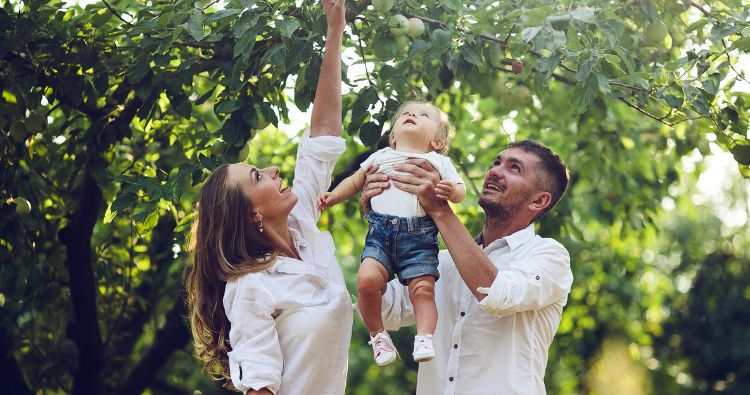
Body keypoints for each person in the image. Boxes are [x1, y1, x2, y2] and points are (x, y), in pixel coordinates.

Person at [184, 1, 351, 394]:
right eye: (257, 175)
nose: (274, 171)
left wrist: (335, 31)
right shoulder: (250, 288)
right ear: (252, 215)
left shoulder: (304, 228)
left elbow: (323, 132)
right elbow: (260, 386)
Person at [361, 139, 572, 394]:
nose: (494, 171)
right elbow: (385, 310)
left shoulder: (550, 256)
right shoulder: (440, 261)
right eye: (497, 162)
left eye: (514, 168)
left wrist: (440, 210)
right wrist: (381, 221)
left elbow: (497, 296)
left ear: (539, 201)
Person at [317, 101, 466, 367]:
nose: (412, 115)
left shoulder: (438, 162)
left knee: (423, 291)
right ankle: (378, 335)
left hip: (419, 238)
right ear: (394, 136)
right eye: (406, 115)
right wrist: (332, 197)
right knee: (366, 281)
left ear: (438, 140)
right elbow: (354, 182)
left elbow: (459, 190)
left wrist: (450, 191)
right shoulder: (380, 157)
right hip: (380, 234)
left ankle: (424, 337)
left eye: (423, 115)